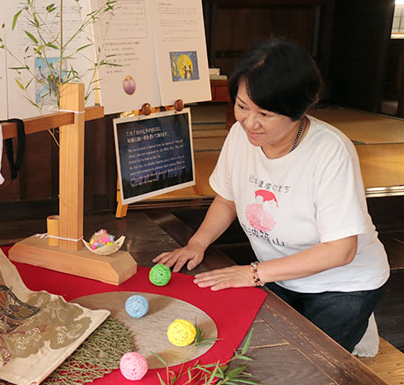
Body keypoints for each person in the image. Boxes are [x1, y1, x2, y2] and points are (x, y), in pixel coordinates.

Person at [153, 38, 389, 352]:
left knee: (311, 367)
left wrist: (253, 273)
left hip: (343, 286)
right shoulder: (240, 136)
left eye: (265, 113)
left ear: (299, 110)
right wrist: (197, 242)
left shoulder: (330, 151)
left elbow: (340, 251)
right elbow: (227, 199)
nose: (250, 122)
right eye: (241, 106)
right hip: (278, 274)